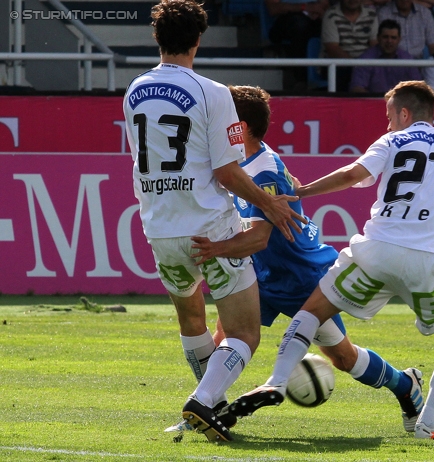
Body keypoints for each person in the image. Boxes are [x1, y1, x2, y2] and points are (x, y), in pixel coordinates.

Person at [225, 80, 434, 440]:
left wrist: (301, 191)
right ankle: (428, 424)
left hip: (375, 251)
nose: (387, 123)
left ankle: (277, 379)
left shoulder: (393, 141)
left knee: (311, 311)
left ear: (405, 114)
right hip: (429, 262)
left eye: (389, 115)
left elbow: (352, 175)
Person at [185, 84, 426, 436]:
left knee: (343, 358)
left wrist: (215, 249)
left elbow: (258, 237)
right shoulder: (240, 161)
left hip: (300, 276)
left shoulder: (264, 171)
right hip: (265, 273)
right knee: (227, 334)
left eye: (223, 118)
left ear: (242, 127)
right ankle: (205, 407)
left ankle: (405, 385)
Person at [122, 0, 305, 443]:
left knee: (192, 321)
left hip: (159, 228)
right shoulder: (214, 92)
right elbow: (226, 171)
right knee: (243, 331)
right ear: (198, 39)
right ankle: (202, 402)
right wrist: (271, 203)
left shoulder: (133, 90)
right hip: (209, 226)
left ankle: (209, 408)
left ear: (157, 38)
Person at [377, 0, 434, 88]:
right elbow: (381, 42)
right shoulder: (384, 13)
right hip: (392, 65)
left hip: (419, 67)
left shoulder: (424, 13)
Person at [264, 0, 330, 86]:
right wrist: (304, 7)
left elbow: (325, 3)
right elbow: (274, 8)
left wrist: (317, 10)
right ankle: (301, 80)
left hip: (314, 16)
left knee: (331, 23)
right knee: (300, 26)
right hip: (286, 19)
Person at [350, 19, 423, 92]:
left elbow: (418, 89)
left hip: (402, 103)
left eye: (393, 37)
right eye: (385, 37)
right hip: (373, 102)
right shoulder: (365, 59)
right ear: (378, 38)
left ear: (399, 39)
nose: (389, 41)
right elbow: (357, 89)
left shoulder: (407, 59)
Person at [321, 0, 379, 91]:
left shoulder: (371, 14)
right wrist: (355, 65)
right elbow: (332, 49)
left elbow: (374, 44)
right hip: (339, 64)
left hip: (364, 63)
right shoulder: (330, 15)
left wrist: (362, 65)